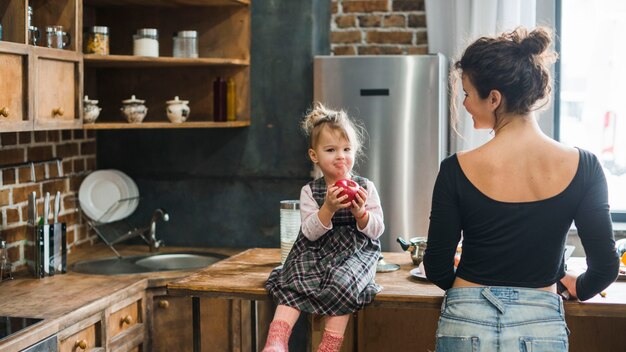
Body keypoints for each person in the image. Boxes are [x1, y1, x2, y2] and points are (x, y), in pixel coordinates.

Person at [424, 27, 619, 351]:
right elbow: (606, 268)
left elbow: (437, 266)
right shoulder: (585, 167)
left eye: (468, 94)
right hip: (540, 323)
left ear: (495, 98)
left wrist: (467, 293)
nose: (466, 104)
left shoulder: (455, 169)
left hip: (465, 320)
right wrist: (578, 286)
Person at [263, 102, 385, 352]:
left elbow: (377, 230)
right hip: (315, 251)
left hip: (353, 252)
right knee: (293, 275)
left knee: (344, 283)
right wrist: (327, 208)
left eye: (346, 149)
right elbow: (308, 232)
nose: (341, 156)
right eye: (331, 150)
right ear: (314, 156)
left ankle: (329, 346)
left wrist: (360, 213)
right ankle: (276, 340)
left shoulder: (366, 187)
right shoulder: (310, 191)